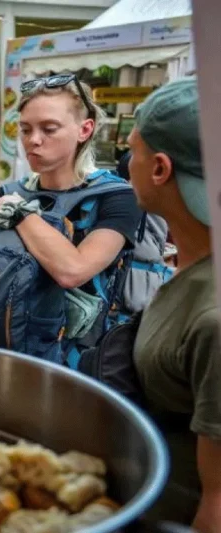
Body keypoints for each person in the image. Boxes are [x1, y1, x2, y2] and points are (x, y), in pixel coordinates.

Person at [0, 74, 143, 360]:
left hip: (77, 362)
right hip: (2, 349)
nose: (33, 140)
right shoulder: (9, 192)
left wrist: (19, 212)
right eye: (25, 129)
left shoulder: (117, 197)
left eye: (49, 129)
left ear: (85, 129)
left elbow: (73, 270)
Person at [127, 78, 221, 530]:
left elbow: (217, 505)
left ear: (160, 168)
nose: (128, 164)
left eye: (133, 150)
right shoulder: (190, 262)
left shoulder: (213, 317)